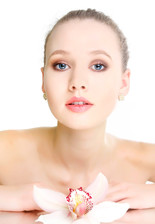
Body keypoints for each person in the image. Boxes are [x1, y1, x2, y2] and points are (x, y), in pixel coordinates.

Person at [0, 8, 155, 212]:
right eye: (61, 65)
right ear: (43, 80)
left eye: (98, 66)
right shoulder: (7, 151)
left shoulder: (143, 158)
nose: (77, 83)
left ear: (123, 83)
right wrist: (11, 198)